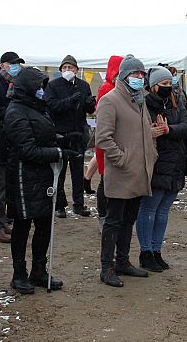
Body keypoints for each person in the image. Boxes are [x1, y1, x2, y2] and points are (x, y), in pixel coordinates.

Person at [4, 67, 73, 294]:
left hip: (43, 177)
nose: (42, 91)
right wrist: (59, 153)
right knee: (23, 226)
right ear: (28, 87)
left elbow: (42, 135)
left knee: (44, 224)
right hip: (23, 178)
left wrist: (62, 139)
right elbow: (27, 150)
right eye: (39, 86)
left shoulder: (38, 108)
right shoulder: (15, 111)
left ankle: (39, 270)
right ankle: (19, 273)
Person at [95, 54, 158, 287]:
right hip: (121, 172)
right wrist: (122, 159)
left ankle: (122, 261)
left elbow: (141, 132)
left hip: (139, 172)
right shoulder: (110, 100)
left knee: (129, 219)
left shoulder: (139, 100)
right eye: (135, 73)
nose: (139, 77)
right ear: (123, 75)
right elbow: (102, 138)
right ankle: (106, 267)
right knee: (113, 221)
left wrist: (151, 153)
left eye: (142, 74)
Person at [136, 67, 187, 272]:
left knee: (163, 211)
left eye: (170, 83)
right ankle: (145, 251)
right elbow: (139, 130)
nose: (169, 87)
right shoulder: (143, 103)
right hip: (157, 162)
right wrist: (151, 132)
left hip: (176, 162)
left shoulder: (178, 100)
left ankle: (157, 250)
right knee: (149, 208)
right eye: (164, 84)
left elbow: (186, 125)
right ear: (153, 86)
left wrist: (169, 130)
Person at [45, 55, 96, 218]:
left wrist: (89, 103)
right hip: (60, 134)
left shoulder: (83, 85)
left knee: (77, 170)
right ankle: (59, 205)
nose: (68, 70)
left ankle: (79, 204)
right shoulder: (53, 86)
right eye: (65, 68)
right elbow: (51, 106)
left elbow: (89, 109)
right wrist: (69, 101)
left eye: (71, 67)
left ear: (76, 69)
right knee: (59, 171)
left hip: (78, 133)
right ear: (60, 70)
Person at [0, 52, 25, 243]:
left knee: (9, 186)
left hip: (11, 142)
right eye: (13, 64)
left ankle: (2, 221)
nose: (16, 67)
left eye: (18, 64)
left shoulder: (15, 84)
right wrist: (13, 112)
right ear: (3, 65)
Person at [94, 55, 123, 232]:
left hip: (120, 140)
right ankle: (103, 216)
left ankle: (112, 216)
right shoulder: (107, 88)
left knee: (115, 180)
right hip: (108, 140)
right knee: (106, 179)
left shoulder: (120, 89)